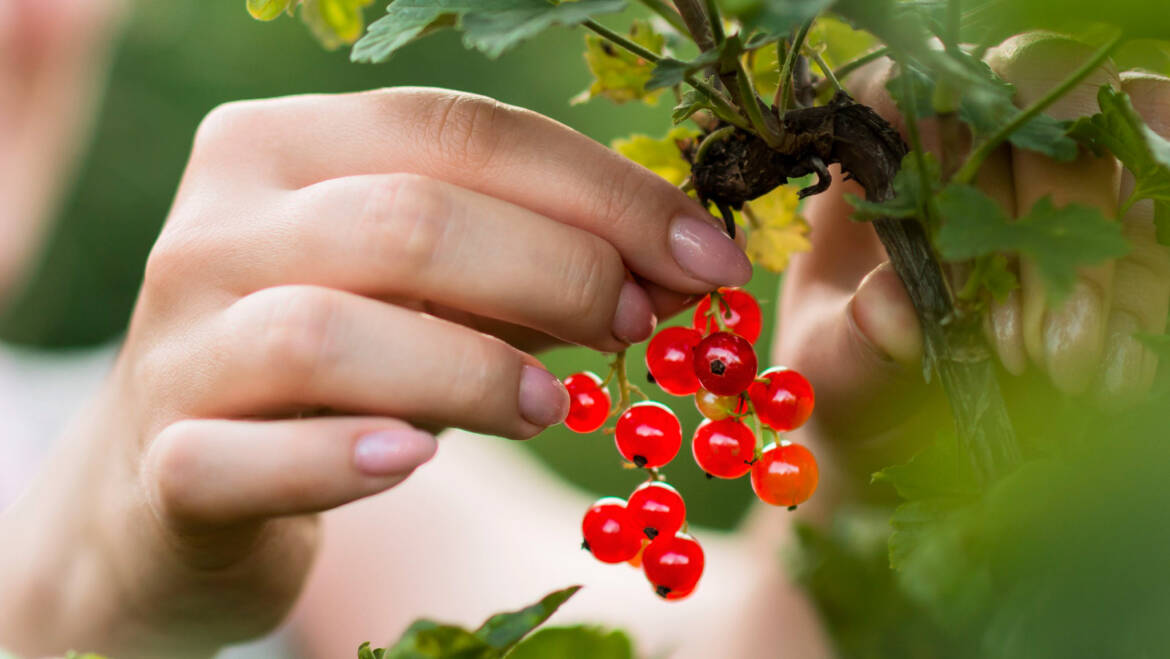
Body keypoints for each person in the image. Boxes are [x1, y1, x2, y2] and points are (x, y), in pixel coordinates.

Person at [0, 0, 1167, 655]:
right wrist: (71, 601)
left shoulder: (314, 475)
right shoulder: (143, 468)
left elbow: (721, 644)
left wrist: (874, 481)